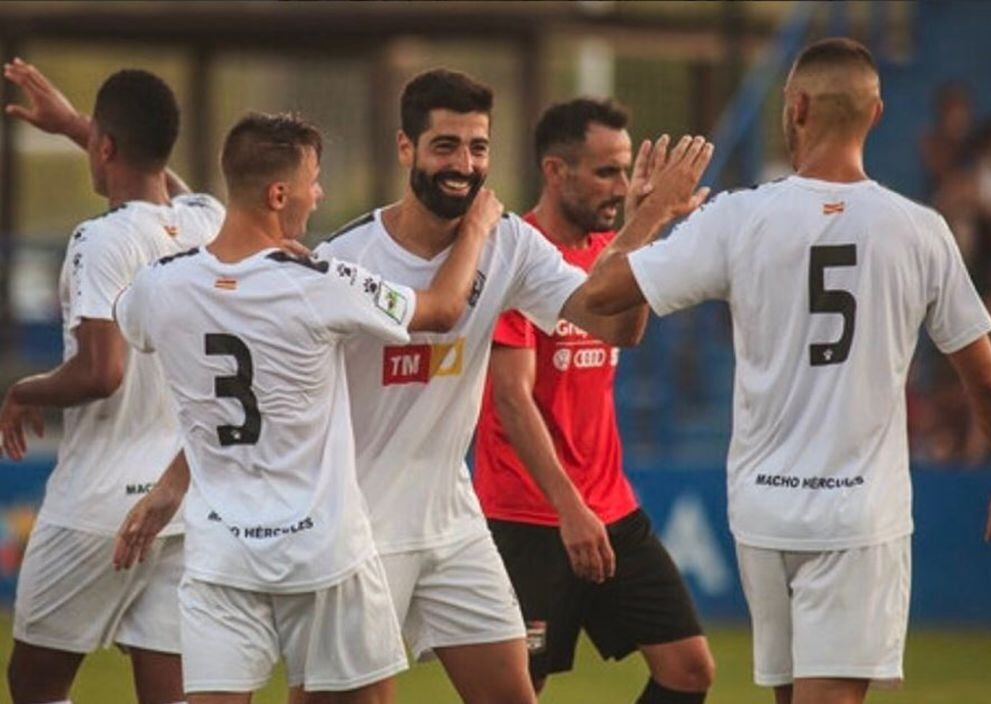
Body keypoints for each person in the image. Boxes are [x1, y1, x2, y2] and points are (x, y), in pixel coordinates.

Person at [580, 38, 991, 704]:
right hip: (858, 518)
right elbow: (989, 378)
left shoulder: (737, 218)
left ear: (794, 107)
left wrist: (652, 212)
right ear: (878, 114)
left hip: (765, 513)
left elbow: (598, 297)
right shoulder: (920, 230)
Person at [312, 69, 713, 704]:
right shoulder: (348, 258)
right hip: (363, 522)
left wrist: (647, 219)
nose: (464, 165)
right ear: (405, 149)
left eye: (477, 147)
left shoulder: (512, 245)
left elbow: (611, 320)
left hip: (454, 522)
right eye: (445, 146)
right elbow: (445, 321)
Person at [112, 112, 502, 703]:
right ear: (278, 194)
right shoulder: (321, 280)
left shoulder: (159, 286)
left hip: (222, 556)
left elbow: (140, 320)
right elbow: (443, 309)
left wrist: (170, 485)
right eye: (313, 180)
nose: (318, 194)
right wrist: (476, 229)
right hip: (325, 558)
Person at [473, 98, 714, 703]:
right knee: (521, 689)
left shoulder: (607, 252)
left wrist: (644, 224)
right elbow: (511, 398)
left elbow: (625, 332)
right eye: (606, 171)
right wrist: (568, 508)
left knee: (689, 669)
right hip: (529, 515)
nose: (622, 186)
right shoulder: (516, 255)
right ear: (556, 172)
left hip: (609, 508)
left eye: (626, 170)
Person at [0, 60, 223, 704]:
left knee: (34, 685)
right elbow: (173, 196)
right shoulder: (207, 221)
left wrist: (25, 390)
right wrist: (77, 125)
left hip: (99, 503)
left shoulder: (100, 240)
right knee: (168, 689)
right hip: (182, 501)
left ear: (106, 148)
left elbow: (101, 372)